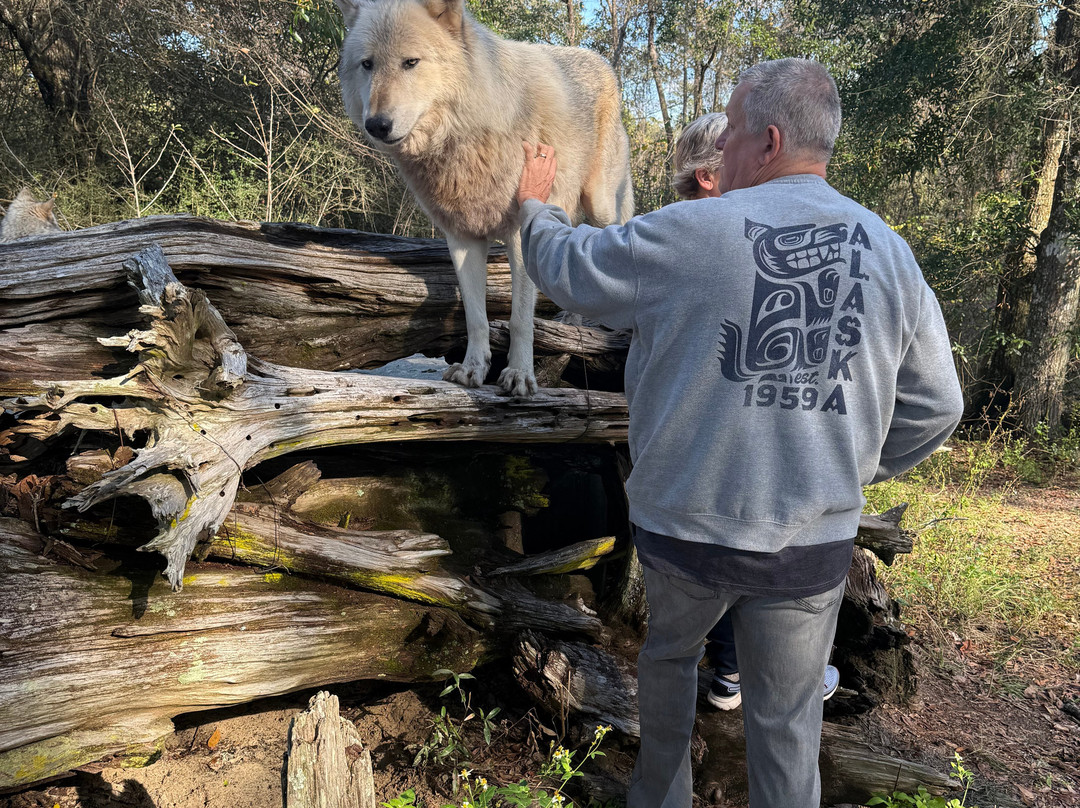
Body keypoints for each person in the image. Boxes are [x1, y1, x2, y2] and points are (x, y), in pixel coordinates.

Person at [515, 57, 964, 808]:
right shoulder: (888, 251)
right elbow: (940, 404)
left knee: (667, 673)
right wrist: (852, 468)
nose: (719, 146)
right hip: (812, 547)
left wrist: (536, 206)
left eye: (729, 129)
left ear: (769, 140)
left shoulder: (688, 230)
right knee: (787, 728)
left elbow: (570, 270)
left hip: (685, 532)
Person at [670, 111, 841, 712]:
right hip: (743, 484)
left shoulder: (667, 238)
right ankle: (745, 669)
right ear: (709, 176)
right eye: (728, 149)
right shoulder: (712, 238)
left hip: (678, 488)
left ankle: (729, 670)